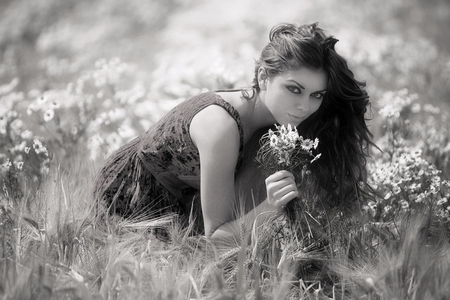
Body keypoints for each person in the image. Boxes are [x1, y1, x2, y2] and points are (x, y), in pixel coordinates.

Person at [93, 22, 374, 245]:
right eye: (294, 89)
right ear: (264, 78)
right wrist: (269, 207)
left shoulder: (277, 129)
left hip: (181, 209)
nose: (304, 106)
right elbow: (216, 239)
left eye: (317, 95)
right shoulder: (221, 126)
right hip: (130, 199)